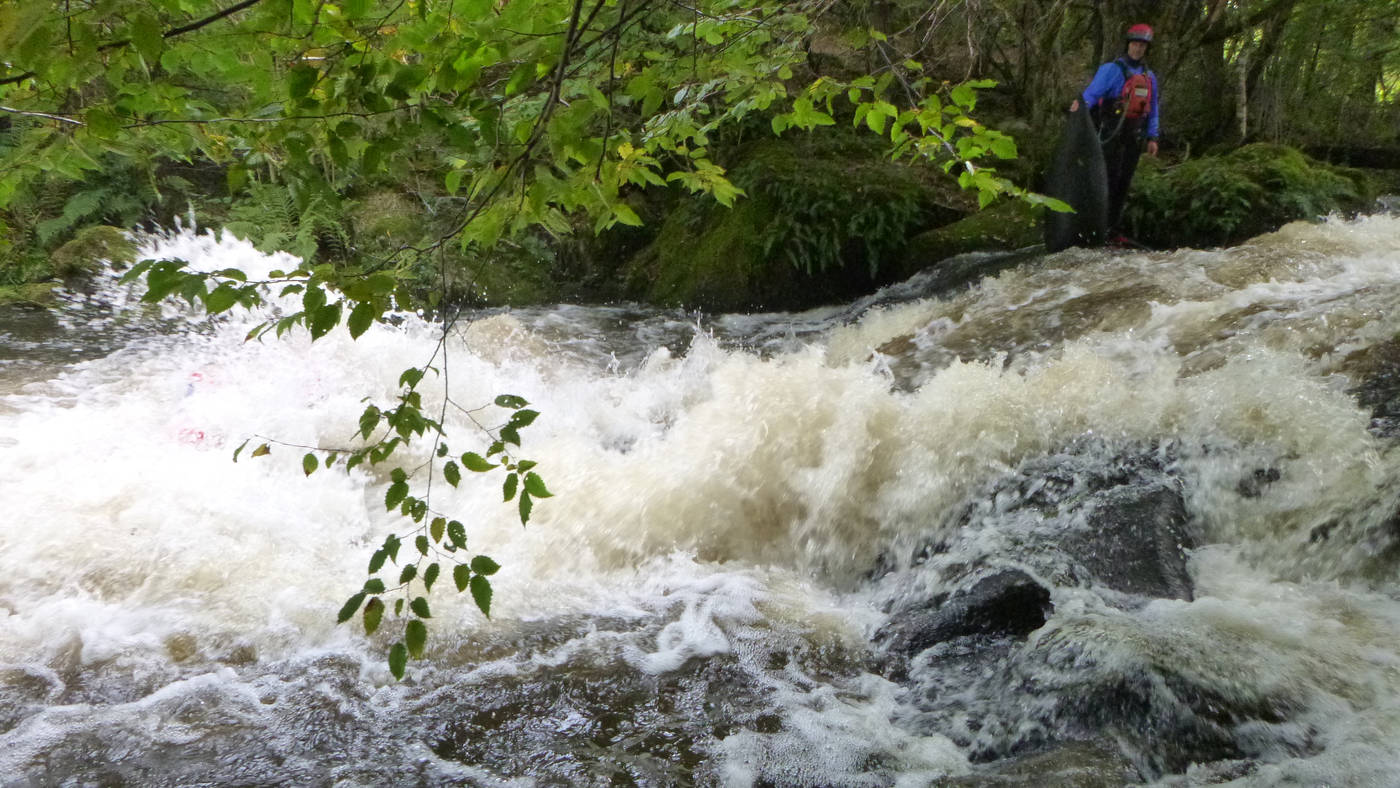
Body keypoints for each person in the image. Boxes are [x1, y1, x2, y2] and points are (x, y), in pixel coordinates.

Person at [1070, 23, 1161, 240]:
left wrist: (1152, 136)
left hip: (1134, 136)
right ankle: (1096, 227)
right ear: (1128, 45)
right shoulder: (1111, 70)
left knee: (1124, 182)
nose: (1138, 49)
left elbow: (1154, 108)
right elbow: (1092, 94)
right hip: (1110, 134)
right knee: (1107, 179)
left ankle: (1112, 229)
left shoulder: (1150, 77)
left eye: (1142, 46)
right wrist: (1078, 106)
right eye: (1135, 44)